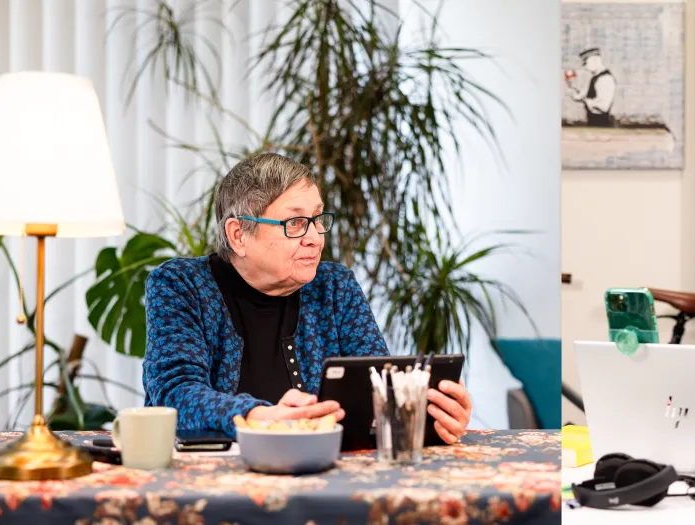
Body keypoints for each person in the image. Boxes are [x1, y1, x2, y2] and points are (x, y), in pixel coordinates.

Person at [143, 153, 474, 444]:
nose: (316, 238)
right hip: (216, 484)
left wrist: (428, 415)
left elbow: (376, 385)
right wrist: (258, 417)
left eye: (317, 220)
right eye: (297, 223)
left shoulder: (334, 286)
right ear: (238, 234)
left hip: (326, 476)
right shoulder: (180, 284)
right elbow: (173, 396)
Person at [566, 48, 617, 127]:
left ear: (595, 60)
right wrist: (581, 95)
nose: (585, 67)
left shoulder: (605, 79)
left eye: (586, 63)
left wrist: (584, 100)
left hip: (601, 123)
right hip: (594, 122)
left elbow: (603, 107)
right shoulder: (596, 77)